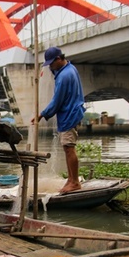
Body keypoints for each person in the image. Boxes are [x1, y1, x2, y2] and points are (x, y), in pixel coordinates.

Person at [31, 46, 85, 194]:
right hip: (72, 113)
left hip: (69, 114)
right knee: (67, 148)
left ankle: (74, 182)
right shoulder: (70, 68)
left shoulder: (64, 77)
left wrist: (41, 114)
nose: (50, 67)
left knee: (69, 148)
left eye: (51, 64)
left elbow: (57, 102)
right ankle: (71, 179)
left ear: (59, 59)